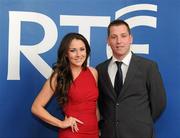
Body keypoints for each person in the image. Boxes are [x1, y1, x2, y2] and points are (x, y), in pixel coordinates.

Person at [96, 19, 166, 138]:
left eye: (123, 36)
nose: (119, 41)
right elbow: (101, 104)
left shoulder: (148, 67)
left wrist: (141, 123)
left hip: (140, 133)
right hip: (109, 134)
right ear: (108, 41)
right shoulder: (100, 69)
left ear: (130, 39)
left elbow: (159, 103)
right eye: (114, 37)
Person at [31, 32, 99, 138]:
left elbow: (94, 106)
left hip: (93, 133)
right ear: (66, 53)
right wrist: (60, 123)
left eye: (82, 49)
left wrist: (98, 128)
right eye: (73, 50)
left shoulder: (93, 72)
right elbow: (36, 107)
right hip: (72, 133)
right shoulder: (59, 76)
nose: (78, 54)